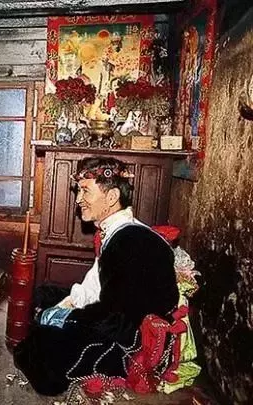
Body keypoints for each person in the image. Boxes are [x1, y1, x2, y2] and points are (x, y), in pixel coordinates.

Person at [13, 157, 179, 395]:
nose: (78, 199)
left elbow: (117, 315)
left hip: (129, 335)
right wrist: (66, 304)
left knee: (45, 351)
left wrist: (70, 317)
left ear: (111, 197)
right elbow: (95, 287)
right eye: (79, 191)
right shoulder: (116, 232)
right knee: (42, 296)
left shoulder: (132, 240)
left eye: (85, 191)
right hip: (113, 312)